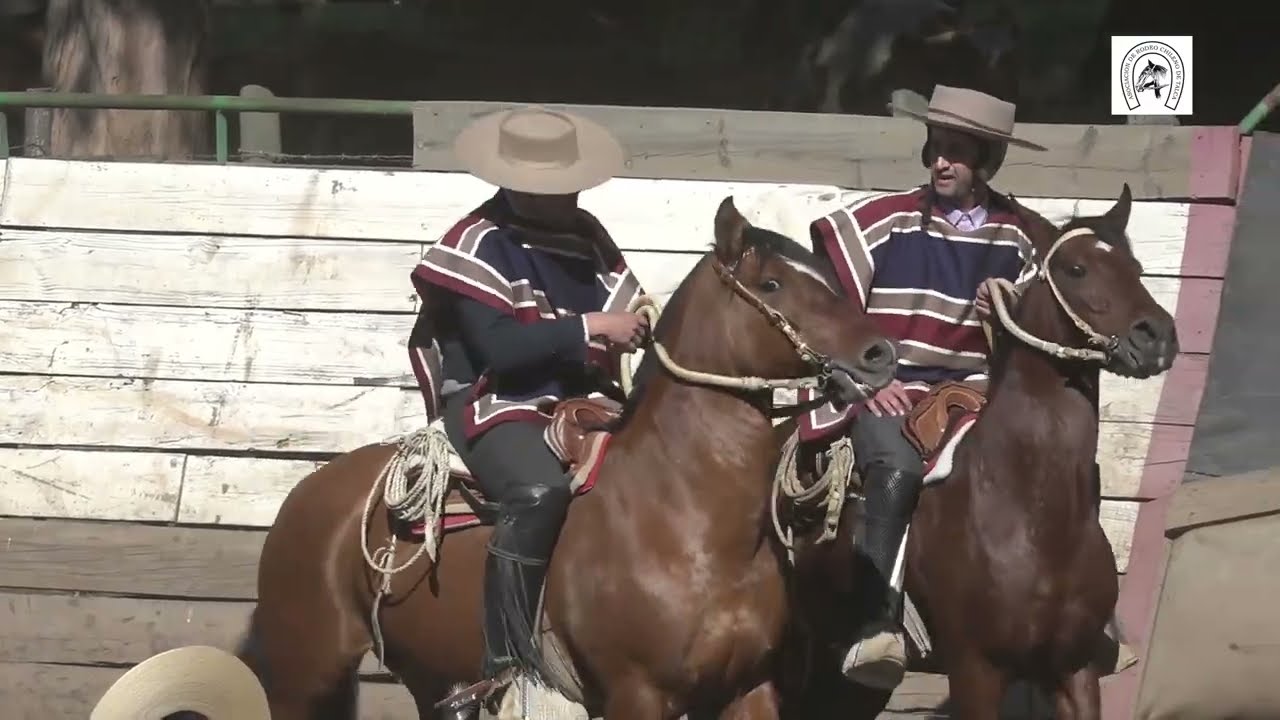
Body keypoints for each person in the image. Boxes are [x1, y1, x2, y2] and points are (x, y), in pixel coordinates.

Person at [796, 85, 1048, 690]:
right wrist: (863, 380)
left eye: (957, 151)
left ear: (986, 160)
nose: (942, 161)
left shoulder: (1021, 237)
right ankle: (873, 622)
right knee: (897, 467)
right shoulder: (885, 222)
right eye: (936, 147)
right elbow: (823, 311)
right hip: (892, 387)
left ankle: (1075, 614)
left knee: (1047, 460)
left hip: (977, 392)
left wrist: (1008, 310)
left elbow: (1040, 328)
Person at [406, 106, 648, 713]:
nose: (561, 196)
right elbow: (500, 350)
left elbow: (626, 306)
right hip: (496, 402)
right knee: (539, 492)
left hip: (583, 402)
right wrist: (593, 326)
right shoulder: (475, 242)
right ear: (511, 181)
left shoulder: (586, 233)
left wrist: (640, 326)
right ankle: (507, 666)